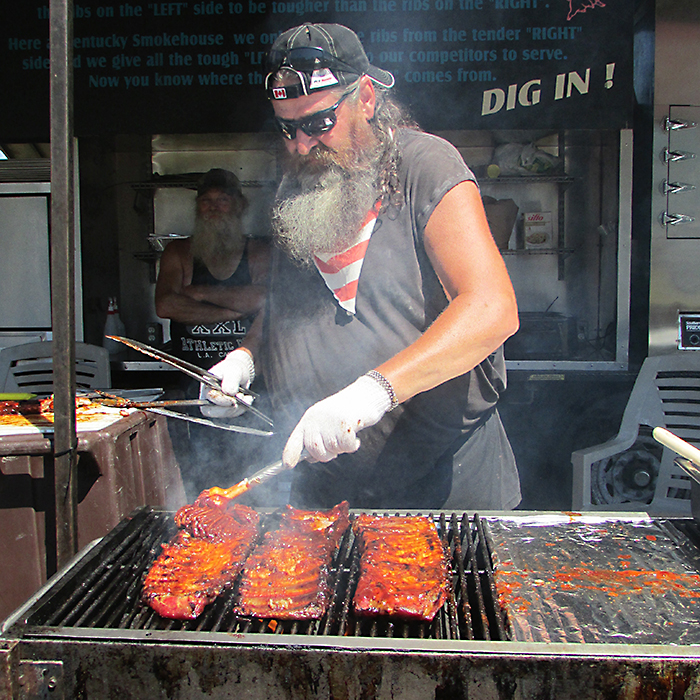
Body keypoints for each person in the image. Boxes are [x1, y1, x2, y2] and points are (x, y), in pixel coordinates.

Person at [204, 23, 522, 511]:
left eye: (318, 123)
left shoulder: (424, 165)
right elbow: (289, 309)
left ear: (367, 98)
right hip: (328, 483)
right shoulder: (299, 184)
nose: (301, 145)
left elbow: (492, 308)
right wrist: (247, 359)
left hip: (442, 480)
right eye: (287, 127)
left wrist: (370, 394)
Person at [155, 168, 271, 499]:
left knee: (252, 487)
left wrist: (198, 293)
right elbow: (165, 305)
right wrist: (233, 311)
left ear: (240, 205)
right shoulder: (178, 253)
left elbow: (265, 299)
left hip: (249, 391)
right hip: (190, 391)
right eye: (206, 201)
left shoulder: (259, 251)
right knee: (194, 486)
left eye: (222, 200)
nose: (213, 207)